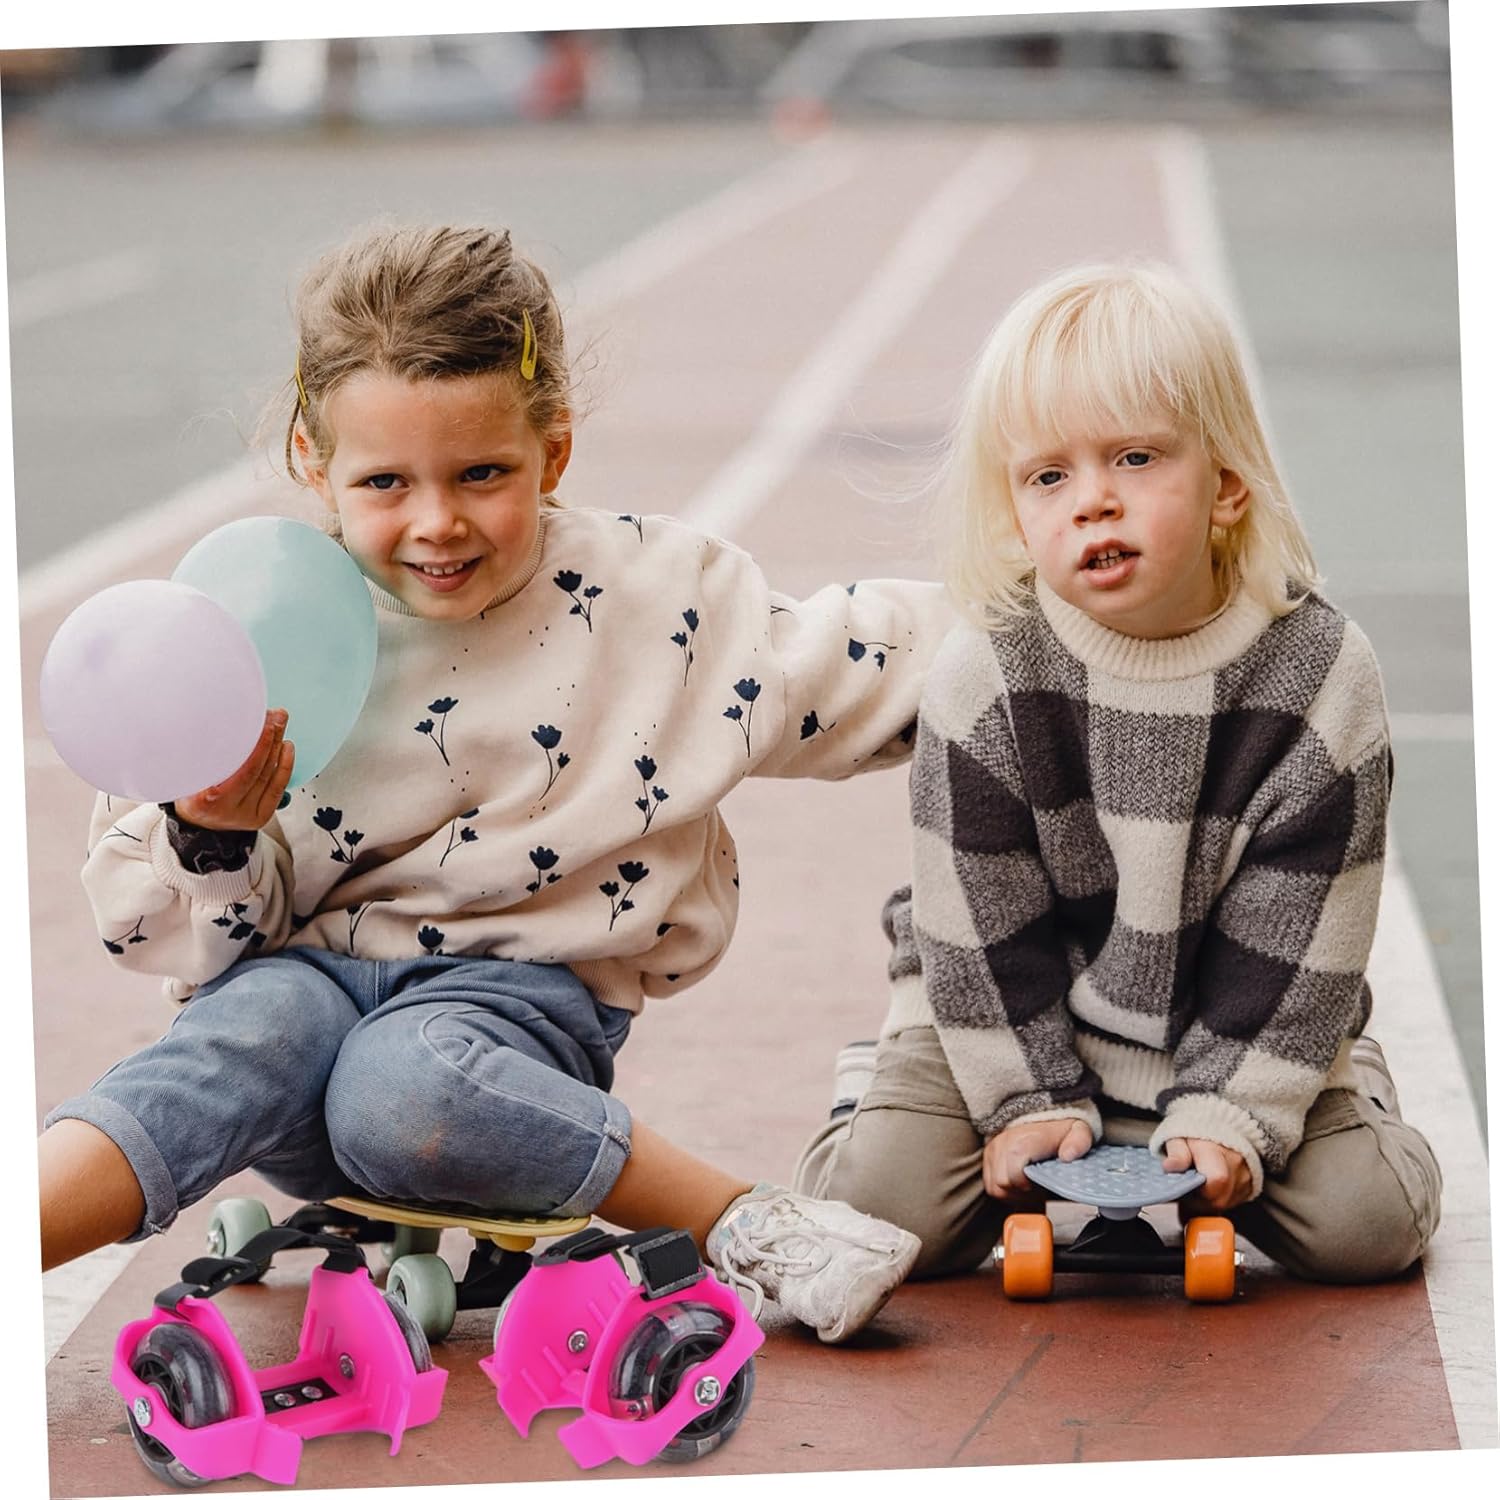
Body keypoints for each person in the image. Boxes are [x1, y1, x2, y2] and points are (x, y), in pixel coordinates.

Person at [38, 222, 957, 1344]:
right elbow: (177, 936)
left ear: (552, 453)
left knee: (401, 1082)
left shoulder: (652, 602)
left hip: (507, 1029)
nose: (438, 522)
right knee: (241, 1033)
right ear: (313, 463)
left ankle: (749, 1225)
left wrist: (1081, 616)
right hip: (304, 1012)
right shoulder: (250, 627)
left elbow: (861, 659)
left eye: (482, 473)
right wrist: (210, 833)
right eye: (385, 482)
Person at [794, 263, 1442, 1283]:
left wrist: (1233, 1112)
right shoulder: (988, 669)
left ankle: (1350, 1079)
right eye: (1048, 477)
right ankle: (877, 1087)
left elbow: (1302, 929)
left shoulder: (1321, 675)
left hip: (1237, 1013)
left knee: (1370, 1228)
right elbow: (976, 914)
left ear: (1227, 484)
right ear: (1014, 507)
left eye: (1135, 459)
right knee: (880, 1213)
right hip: (1000, 1005)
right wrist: (1023, 1099)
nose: (1092, 501)